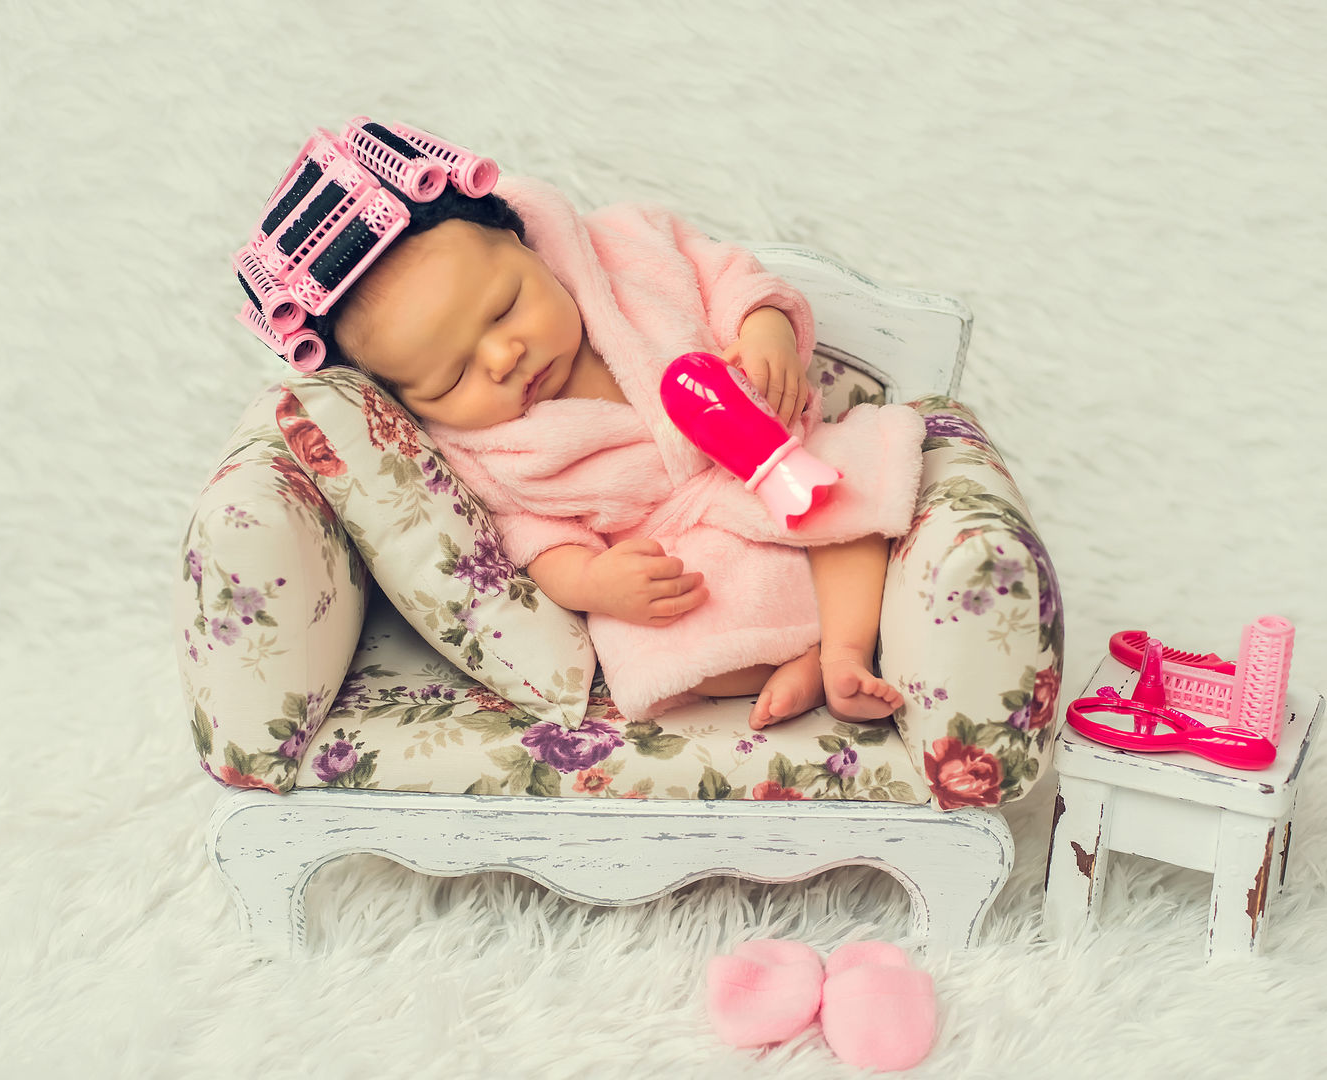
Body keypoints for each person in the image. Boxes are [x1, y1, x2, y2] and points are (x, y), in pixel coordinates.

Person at [262, 124, 924, 729]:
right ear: (413, 403)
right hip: (685, 545)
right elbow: (531, 533)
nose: (502, 357)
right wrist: (593, 582)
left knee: (853, 495)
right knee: (659, 640)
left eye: (504, 309)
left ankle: (843, 650)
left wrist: (765, 330)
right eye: (451, 378)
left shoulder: (626, 246)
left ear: (526, 245)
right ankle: (800, 662)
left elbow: (725, 274)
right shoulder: (488, 454)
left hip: (782, 455)